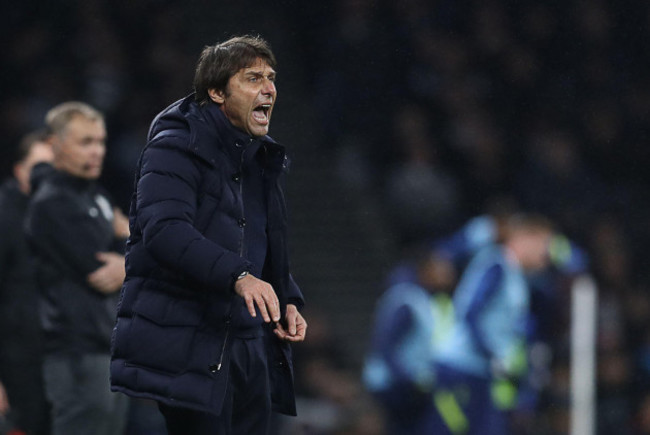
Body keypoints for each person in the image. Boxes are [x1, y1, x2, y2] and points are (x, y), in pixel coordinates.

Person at [110, 35, 307, 435]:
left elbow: (256, 241)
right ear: (217, 92)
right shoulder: (175, 147)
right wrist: (239, 276)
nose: (268, 88)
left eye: (270, 78)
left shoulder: (259, 156)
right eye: (253, 78)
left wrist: (287, 299)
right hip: (192, 340)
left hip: (249, 340)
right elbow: (164, 231)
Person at [24, 102, 129, 435]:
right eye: (86, 142)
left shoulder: (94, 195)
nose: (97, 151)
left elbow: (130, 238)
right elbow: (100, 272)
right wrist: (131, 258)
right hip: (76, 350)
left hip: (106, 347)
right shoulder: (52, 202)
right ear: (55, 145)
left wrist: (128, 260)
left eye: (100, 142)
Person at [431, 214, 554, 434]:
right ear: (523, 238)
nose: (545, 253)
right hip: (459, 368)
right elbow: (469, 312)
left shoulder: (516, 276)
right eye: (543, 244)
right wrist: (492, 353)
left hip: (481, 370)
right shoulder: (495, 265)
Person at [363, 249, 456, 434]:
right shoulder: (406, 298)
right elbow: (385, 344)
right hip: (396, 384)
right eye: (441, 268)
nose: (448, 274)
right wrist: (406, 379)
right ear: (426, 269)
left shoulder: (420, 296)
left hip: (407, 383)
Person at [0, 130, 53, 435]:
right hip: (16, 365)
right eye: (39, 167)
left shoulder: (63, 213)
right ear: (20, 171)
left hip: (56, 362)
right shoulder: (5, 216)